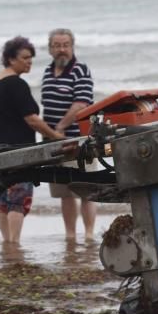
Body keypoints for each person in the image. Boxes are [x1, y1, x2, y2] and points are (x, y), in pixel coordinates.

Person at [0, 36, 65, 244]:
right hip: (18, 149)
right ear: (11, 59)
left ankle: (7, 242)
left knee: (3, 196)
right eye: (25, 58)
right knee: (18, 198)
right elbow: (32, 119)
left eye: (31, 58)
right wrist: (56, 136)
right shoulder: (17, 84)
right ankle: (14, 242)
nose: (29, 61)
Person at [40, 27, 97, 241]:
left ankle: (90, 234)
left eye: (65, 45)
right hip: (53, 143)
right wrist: (49, 134)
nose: (61, 50)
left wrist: (60, 128)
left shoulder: (80, 70)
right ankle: (70, 235)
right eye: (57, 46)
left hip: (78, 140)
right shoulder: (47, 71)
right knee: (63, 192)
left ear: (72, 47)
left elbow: (81, 105)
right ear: (50, 49)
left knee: (86, 190)